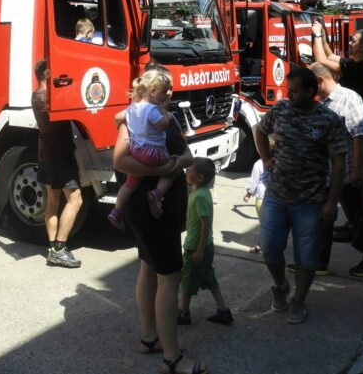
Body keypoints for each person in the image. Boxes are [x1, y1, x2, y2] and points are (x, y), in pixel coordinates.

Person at [113, 111, 210, 374]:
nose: (167, 95)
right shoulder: (129, 122)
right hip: (154, 215)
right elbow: (120, 162)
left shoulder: (168, 118)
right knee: (169, 277)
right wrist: (165, 167)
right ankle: (172, 359)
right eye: (162, 91)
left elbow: (188, 155)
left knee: (148, 268)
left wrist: (179, 162)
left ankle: (149, 338)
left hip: (158, 212)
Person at [253, 66, 348, 325]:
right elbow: (259, 130)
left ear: (311, 90)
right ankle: (281, 285)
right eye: (288, 90)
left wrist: (332, 201)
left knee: (306, 258)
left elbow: (338, 163)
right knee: (270, 251)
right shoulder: (280, 110)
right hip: (277, 196)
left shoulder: (328, 120)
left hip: (311, 201)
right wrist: (265, 158)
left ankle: (299, 301)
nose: (290, 95)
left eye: (295, 91)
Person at [309, 63, 363, 277]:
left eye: (311, 84)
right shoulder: (324, 102)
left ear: (320, 81)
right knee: (323, 217)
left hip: (348, 174)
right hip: (329, 174)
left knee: (356, 217)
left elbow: (360, 134)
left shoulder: (348, 98)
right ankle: (319, 262)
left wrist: (357, 170)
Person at [30, 59, 83, 268]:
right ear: (47, 74)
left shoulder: (37, 96)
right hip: (59, 155)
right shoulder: (46, 98)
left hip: (47, 153)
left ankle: (52, 248)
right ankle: (60, 249)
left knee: (53, 200)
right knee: (75, 200)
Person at [108, 70, 174, 227]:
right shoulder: (152, 110)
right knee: (172, 168)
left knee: (131, 182)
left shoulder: (132, 108)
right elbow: (163, 127)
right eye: (164, 92)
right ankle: (157, 194)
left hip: (137, 151)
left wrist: (123, 124)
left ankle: (116, 211)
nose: (167, 95)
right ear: (152, 92)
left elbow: (117, 117)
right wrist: (165, 113)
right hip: (154, 154)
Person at [178, 158, 233, 327]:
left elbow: (205, 223)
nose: (186, 172)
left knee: (187, 281)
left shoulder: (200, 196)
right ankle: (223, 310)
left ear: (200, 178)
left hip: (196, 247)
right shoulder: (201, 192)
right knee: (209, 277)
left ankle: (184, 313)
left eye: (190, 171)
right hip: (206, 244)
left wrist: (199, 250)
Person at [310, 20, 363, 105]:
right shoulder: (354, 62)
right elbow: (330, 55)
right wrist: (322, 36)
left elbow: (321, 60)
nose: (349, 43)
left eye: (353, 41)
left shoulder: (359, 68)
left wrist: (317, 34)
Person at [243, 157, 269, 254]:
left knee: (264, 225)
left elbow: (254, 182)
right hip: (275, 196)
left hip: (262, 198)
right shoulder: (279, 160)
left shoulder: (258, 164)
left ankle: (261, 246)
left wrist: (248, 194)